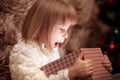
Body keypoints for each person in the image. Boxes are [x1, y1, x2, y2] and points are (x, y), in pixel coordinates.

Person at [9, 0, 112, 80]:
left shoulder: (53, 51)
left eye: (67, 29)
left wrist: (99, 68)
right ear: (40, 26)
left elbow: (58, 73)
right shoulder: (23, 53)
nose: (66, 35)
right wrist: (70, 73)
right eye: (62, 29)